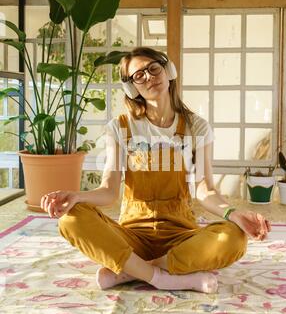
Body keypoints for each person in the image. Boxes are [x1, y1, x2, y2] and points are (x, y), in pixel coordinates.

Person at [41, 47, 270, 294]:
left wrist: (233, 213)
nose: (149, 77)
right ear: (131, 87)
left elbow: (206, 189)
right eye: (139, 75)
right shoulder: (120, 127)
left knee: (234, 237)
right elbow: (109, 190)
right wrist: (78, 197)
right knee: (71, 219)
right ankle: (163, 278)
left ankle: (133, 271)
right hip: (131, 236)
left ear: (168, 71)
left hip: (181, 237)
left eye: (153, 68)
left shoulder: (197, 127)